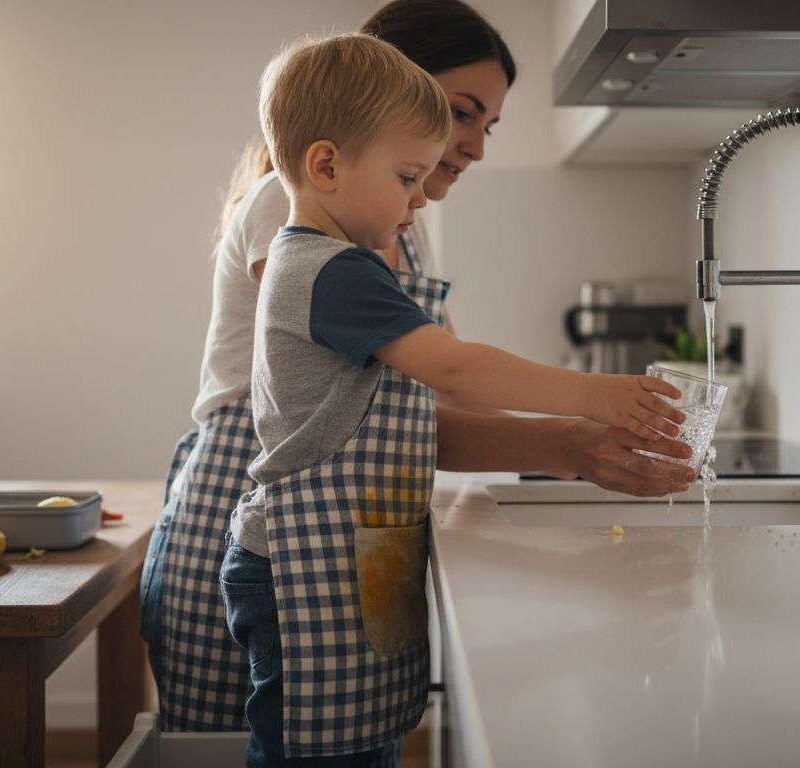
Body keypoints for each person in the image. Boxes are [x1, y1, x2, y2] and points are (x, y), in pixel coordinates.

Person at [139, 0, 695, 736]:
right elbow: (449, 375)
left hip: (340, 529)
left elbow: (414, 417)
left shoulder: (394, 223)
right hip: (252, 530)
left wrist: (571, 449)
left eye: (486, 125)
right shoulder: (302, 215)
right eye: (461, 113)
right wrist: (590, 407)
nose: (474, 145)